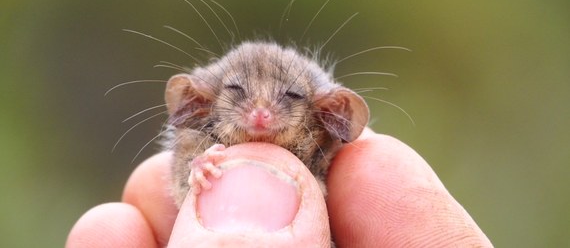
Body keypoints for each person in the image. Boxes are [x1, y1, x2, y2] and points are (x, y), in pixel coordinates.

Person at [66, 129, 493, 247]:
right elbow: (180, 183)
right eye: (238, 92)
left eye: (286, 97)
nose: (261, 114)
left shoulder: (328, 154)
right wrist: (198, 168)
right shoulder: (196, 144)